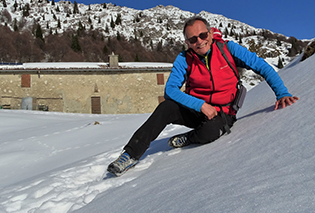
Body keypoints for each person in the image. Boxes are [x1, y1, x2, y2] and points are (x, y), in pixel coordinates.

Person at [107, 16, 299, 176]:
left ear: (210, 33)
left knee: (209, 132)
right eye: (192, 39)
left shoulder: (228, 49)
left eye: (202, 35)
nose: (199, 41)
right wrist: (201, 106)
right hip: (197, 110)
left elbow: (262, 66)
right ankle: (130, 154)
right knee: (166, 107)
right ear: (187, 43)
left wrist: (282, 93)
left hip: (223, 112)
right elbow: (171, 91)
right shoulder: (184, 59)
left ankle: (189, 138)